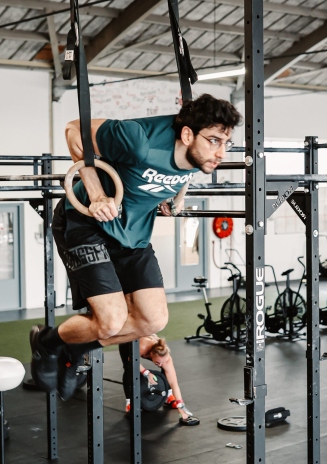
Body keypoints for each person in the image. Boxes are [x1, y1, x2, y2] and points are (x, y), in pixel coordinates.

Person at [29, 94, 243, 401]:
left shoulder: (198, 155)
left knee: (153, 320)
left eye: (227, 143)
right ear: (186, 134)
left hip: (132, 233)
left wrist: (175, 195)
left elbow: (177, 170)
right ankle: (47, 342)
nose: (221, 153)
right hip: (86, 221)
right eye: (214, 141)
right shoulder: (138, 140)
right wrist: (96, 192)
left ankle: (76, 349)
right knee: (111, 321)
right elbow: (74, 130)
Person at [119, 335, 199, 426]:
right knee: (129, 368)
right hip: (128, 340)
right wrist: (146, 373)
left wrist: (181, 405)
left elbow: (174, 383)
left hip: (150, 343)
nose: (160, 364)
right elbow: (131, 360)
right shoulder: (143, 347)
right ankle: (129, 403)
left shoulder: (166, 358)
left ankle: (168, 396)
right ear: (151, 354)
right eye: (157, 362)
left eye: (162, 362)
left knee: (166, 369)